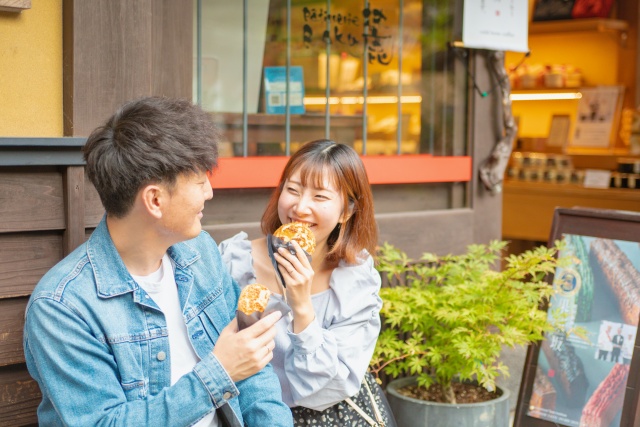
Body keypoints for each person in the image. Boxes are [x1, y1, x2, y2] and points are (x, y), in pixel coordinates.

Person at [23, 96, 293, 427]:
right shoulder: (62, 307)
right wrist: (219, 373)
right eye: (200, 182)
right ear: (154, 200)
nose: (209, 192)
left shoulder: (200, 253)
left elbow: (253, 370)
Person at [219, 139, 396, 426]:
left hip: (334, 416)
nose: (300, 207)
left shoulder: (355, 281)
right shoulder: (234, 262)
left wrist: (302, 307)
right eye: (292, 190)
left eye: (320, 196)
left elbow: (330, 388)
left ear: (346, 211)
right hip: (249, 414)